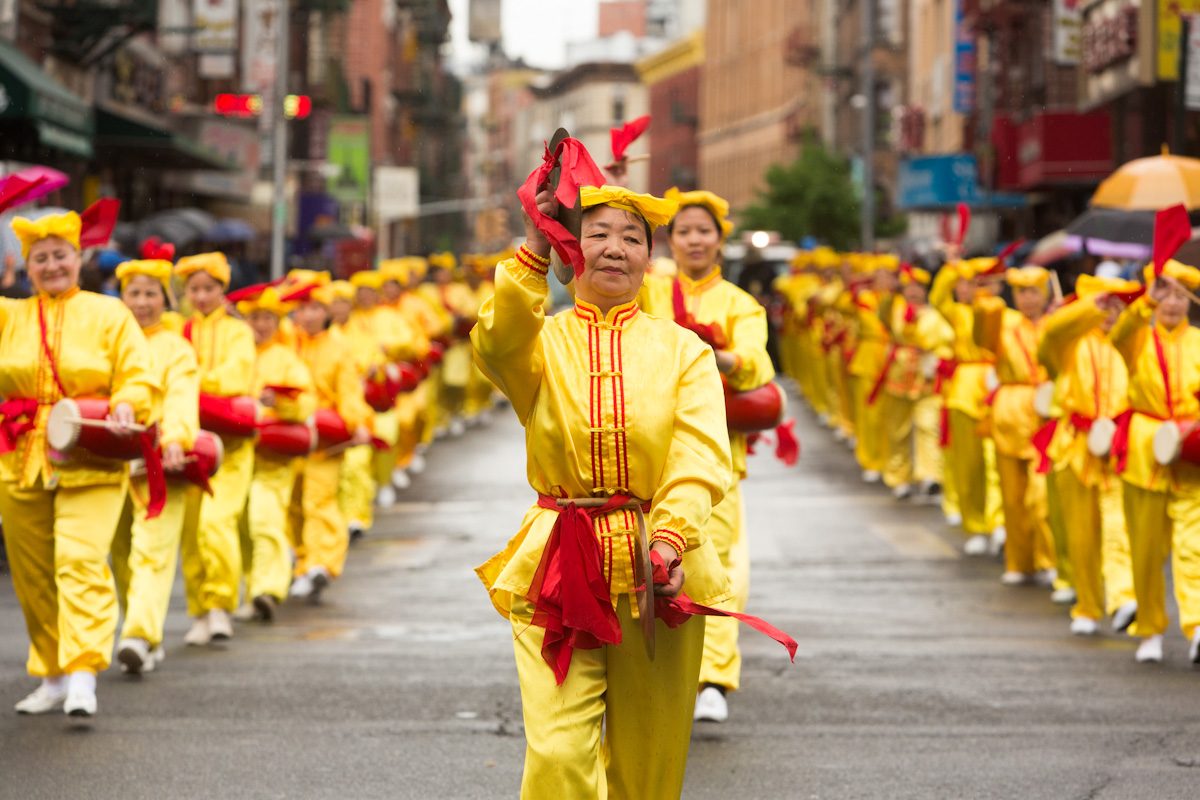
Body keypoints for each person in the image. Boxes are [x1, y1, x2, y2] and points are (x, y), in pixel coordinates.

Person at [473, 183, 734, 798]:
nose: (616, 249)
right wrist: (532, 248)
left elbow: (698, 457)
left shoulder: (685, 351)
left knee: (648, 770)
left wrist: (668, 541)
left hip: (659, 567)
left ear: (649, 256)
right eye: (597, 234)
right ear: (571, 250)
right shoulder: (538, 344)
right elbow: (496, 340)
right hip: (559, 562)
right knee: (558, 752)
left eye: (632, 238)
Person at [0, 211, 159, 716]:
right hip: (20, 456)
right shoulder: (9, 316)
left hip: (91, 453)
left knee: (80, 559)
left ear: (78, 258)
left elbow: (138, 372)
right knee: (32, 573)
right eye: (40, 259)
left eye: (60, 256)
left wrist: (129, 401)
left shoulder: (109, 314)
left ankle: (83, 673)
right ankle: (51, 674)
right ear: (25, 266)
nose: (51, 266)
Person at [638, 187, 774, 724]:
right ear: (669, 240)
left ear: (720, 239)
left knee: (714, 566)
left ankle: (713, 677)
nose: (694, 240)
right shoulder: (649, 288)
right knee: (647, 566)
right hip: (647, 450)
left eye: (704, 231)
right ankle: (650, 671)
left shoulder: (741, 304)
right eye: (684, 231)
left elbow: (757, 364)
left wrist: (715, 355)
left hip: (714, 455)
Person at [111, 258, 199, 674]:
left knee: (152, 552)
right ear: (121, 297)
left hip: (161, 459)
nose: (143, 302)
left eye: (151, 294)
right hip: (111, 462)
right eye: (134, 293)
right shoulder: (110, 341)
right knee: (120, 553)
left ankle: (138, 635)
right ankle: (144, 630)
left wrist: (177, 438)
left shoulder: (177, 348)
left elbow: (182, 395)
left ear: (166, 300)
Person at [1037, 274, 1138, 636]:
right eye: (1104, 306)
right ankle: (1088, 606)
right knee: (1081, 534)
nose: (1111, 314)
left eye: (1117, 306)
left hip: (1117, 448)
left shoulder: (1129, 342)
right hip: (1074, 447)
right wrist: (1086, 310)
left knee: (1117, 526)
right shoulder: (1069, 343)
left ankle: (1122, 597)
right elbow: (1049, 337)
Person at [1109, 261, 1200, 663]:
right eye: (1166, 294)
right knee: (1146, 549)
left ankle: (1197, 625)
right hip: (1145, 454)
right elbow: (1118, 335)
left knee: (1194, 545)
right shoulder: (1137, 338)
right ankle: (1149, 628)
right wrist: (1143, 304)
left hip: (1191, 455)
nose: (1173, 303)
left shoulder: (1198, 341)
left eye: (1182, 295)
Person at [175, 252, 257, 646]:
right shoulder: (181, 331)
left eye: (209, 288)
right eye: (195, 289)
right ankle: (200, 611)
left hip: (233, 446)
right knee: (191, 533)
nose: (202, 296)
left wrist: (192, 381)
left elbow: (236, 377)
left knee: (216, 523)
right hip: (190, 442)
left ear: (223, 289)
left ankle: (222, 603)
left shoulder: (239, 331)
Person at [285, 276, 374, 601]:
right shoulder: (287, 342)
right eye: (303, 309)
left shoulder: (339, 347)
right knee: (293, 504)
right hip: (290, 436)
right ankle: (302, 561)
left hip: (326, 438)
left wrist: (358, 422)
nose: (308, 315)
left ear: (326, 312)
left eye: (315, 309)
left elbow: (349, 392)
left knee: (319, 500)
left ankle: (320, 564)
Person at [973, 265, 1058, 586]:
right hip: (1009, 414)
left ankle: (1049, 560)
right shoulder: (1004, 325)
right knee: (1012, 496)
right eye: (1021, 292)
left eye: (1034, 292)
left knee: (1041, 497)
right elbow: (981, 334)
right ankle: (1019, 562)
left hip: (1045, 413)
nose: (1027, 299)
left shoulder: (1055, 325)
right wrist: (986, 297)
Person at [238, 286, 316, 620]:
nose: (260, 325)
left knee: (264, 519)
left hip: (274, 456)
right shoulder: (236, 354)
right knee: (241, 525)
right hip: (238, 454)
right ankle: (252, 588)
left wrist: (281, 402)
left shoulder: (286, 358)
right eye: (255, 317)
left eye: (267, 318)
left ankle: (268, 588)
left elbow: (306, 402)